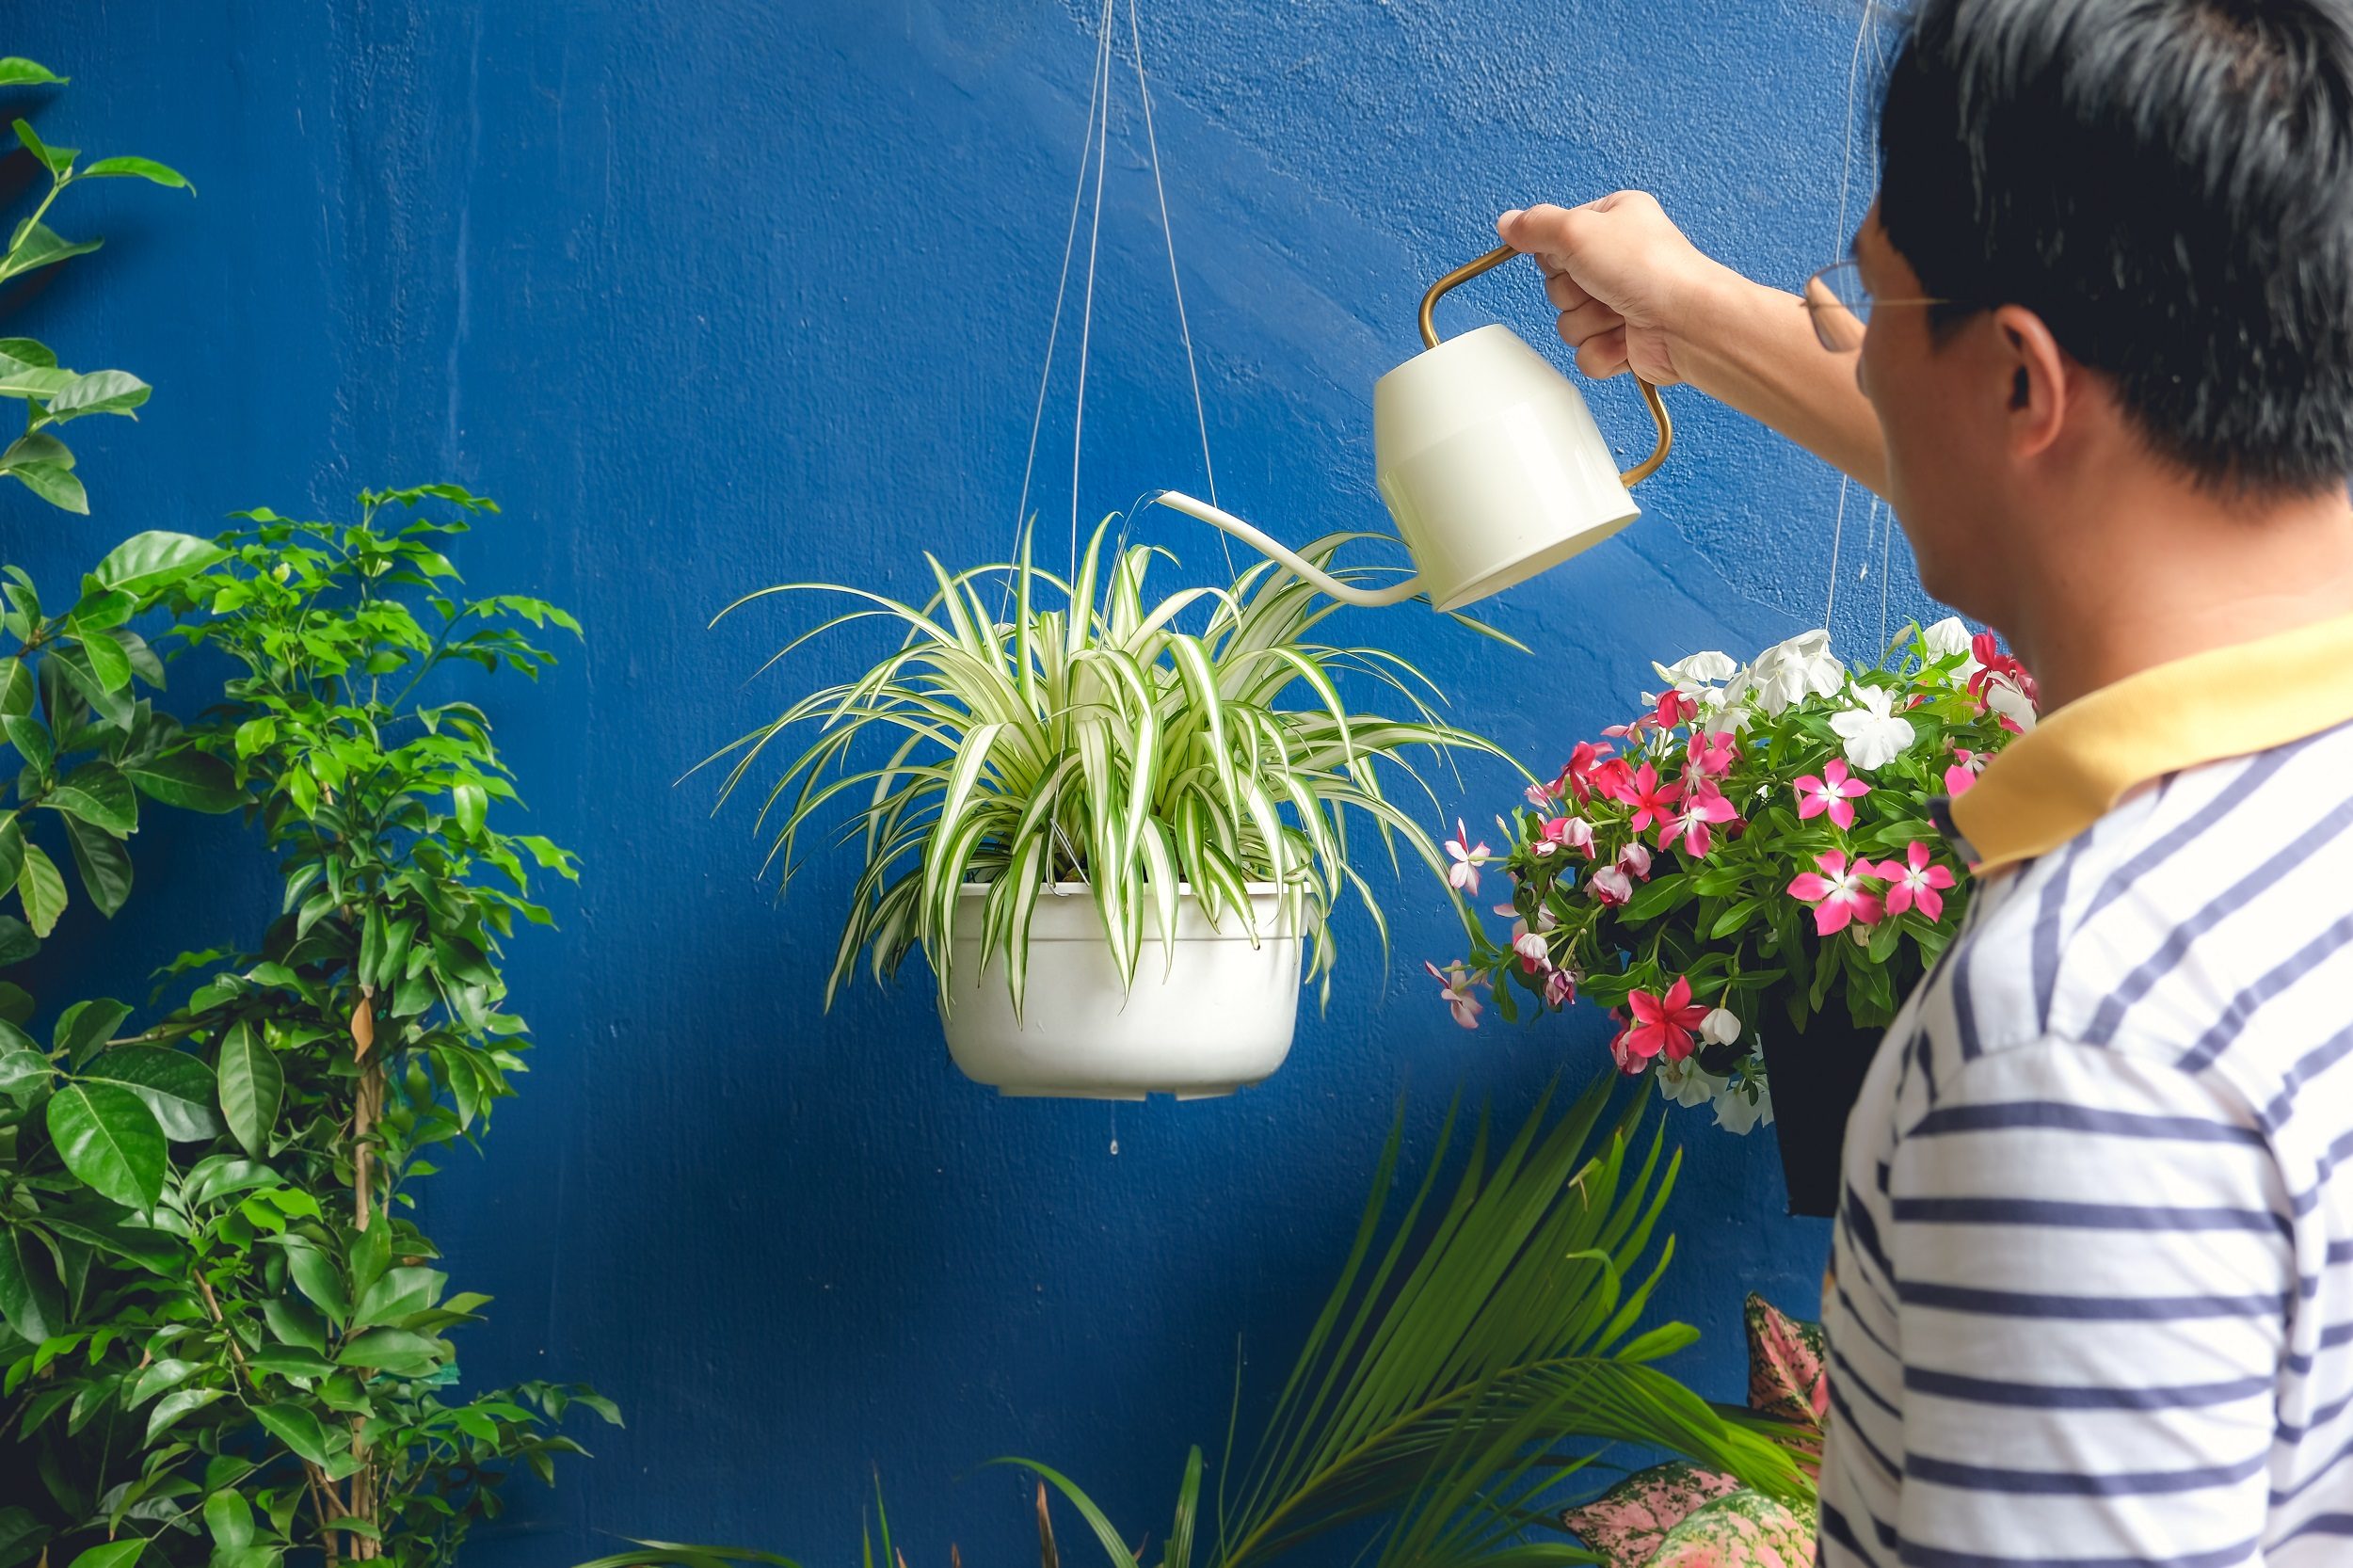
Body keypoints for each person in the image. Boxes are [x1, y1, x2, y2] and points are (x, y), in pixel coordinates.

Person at [1497, 0, 2353, 1561]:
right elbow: (2070, 487)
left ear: (2025, 382)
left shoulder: (2086, 1035)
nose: (1857, 343)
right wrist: (1687, 314)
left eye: (1877, 299)